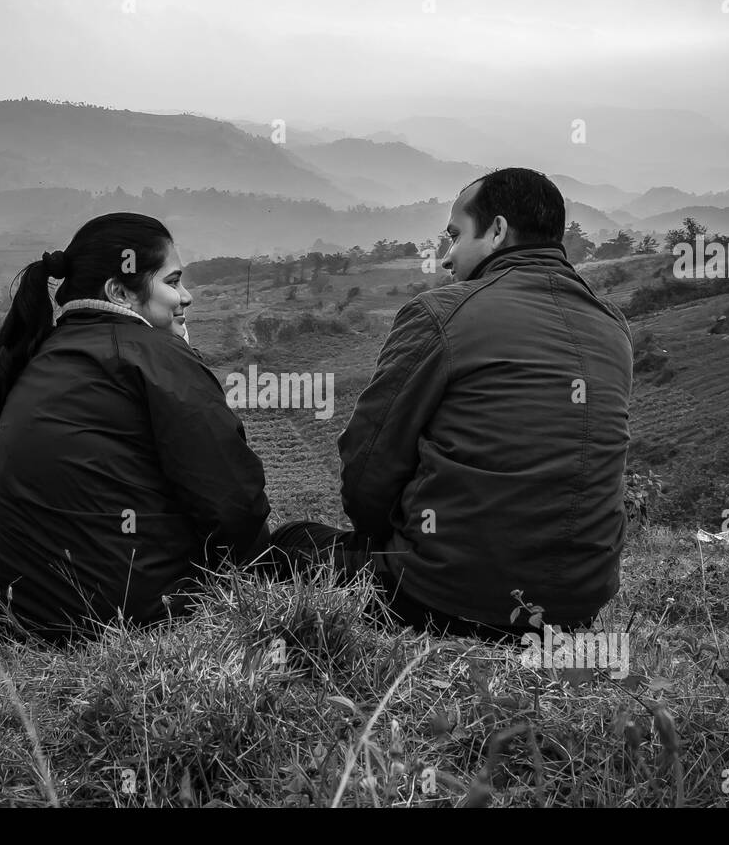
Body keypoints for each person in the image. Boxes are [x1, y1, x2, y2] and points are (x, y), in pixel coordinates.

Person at [269, 168, 633, 641]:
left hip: (441, 597)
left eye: (455, 236)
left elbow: (369, 461)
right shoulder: (613, 326)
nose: (446, 258)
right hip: (575, 607)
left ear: (498, 231)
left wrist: (382, 538)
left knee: (288, 544)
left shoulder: (443, 314)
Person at [0, 212, 271, 642]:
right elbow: (237, 506)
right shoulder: (154, 356)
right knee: (311, 549)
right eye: (173, 281)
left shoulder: (43, 356)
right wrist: (259, 592)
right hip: (136, 620)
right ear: (119, 291)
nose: (187, 296)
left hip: (27, 623)